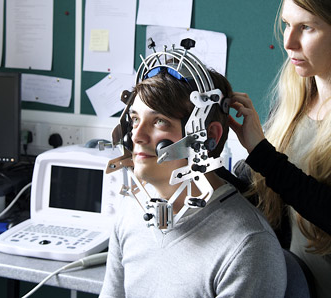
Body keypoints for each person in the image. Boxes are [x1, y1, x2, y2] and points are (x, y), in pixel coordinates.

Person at [229, 0, 331, 297]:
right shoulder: (291, 105)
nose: (288, 42)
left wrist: (261, 152)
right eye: (286, 25)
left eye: (306, 27)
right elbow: (252, 194)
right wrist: (191, 159)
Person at [99, 55, 287, 297]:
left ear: (208, 137)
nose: (137, 136)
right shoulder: (130, 212)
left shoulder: (249, 247)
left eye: (159, 121)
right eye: (135, 119)